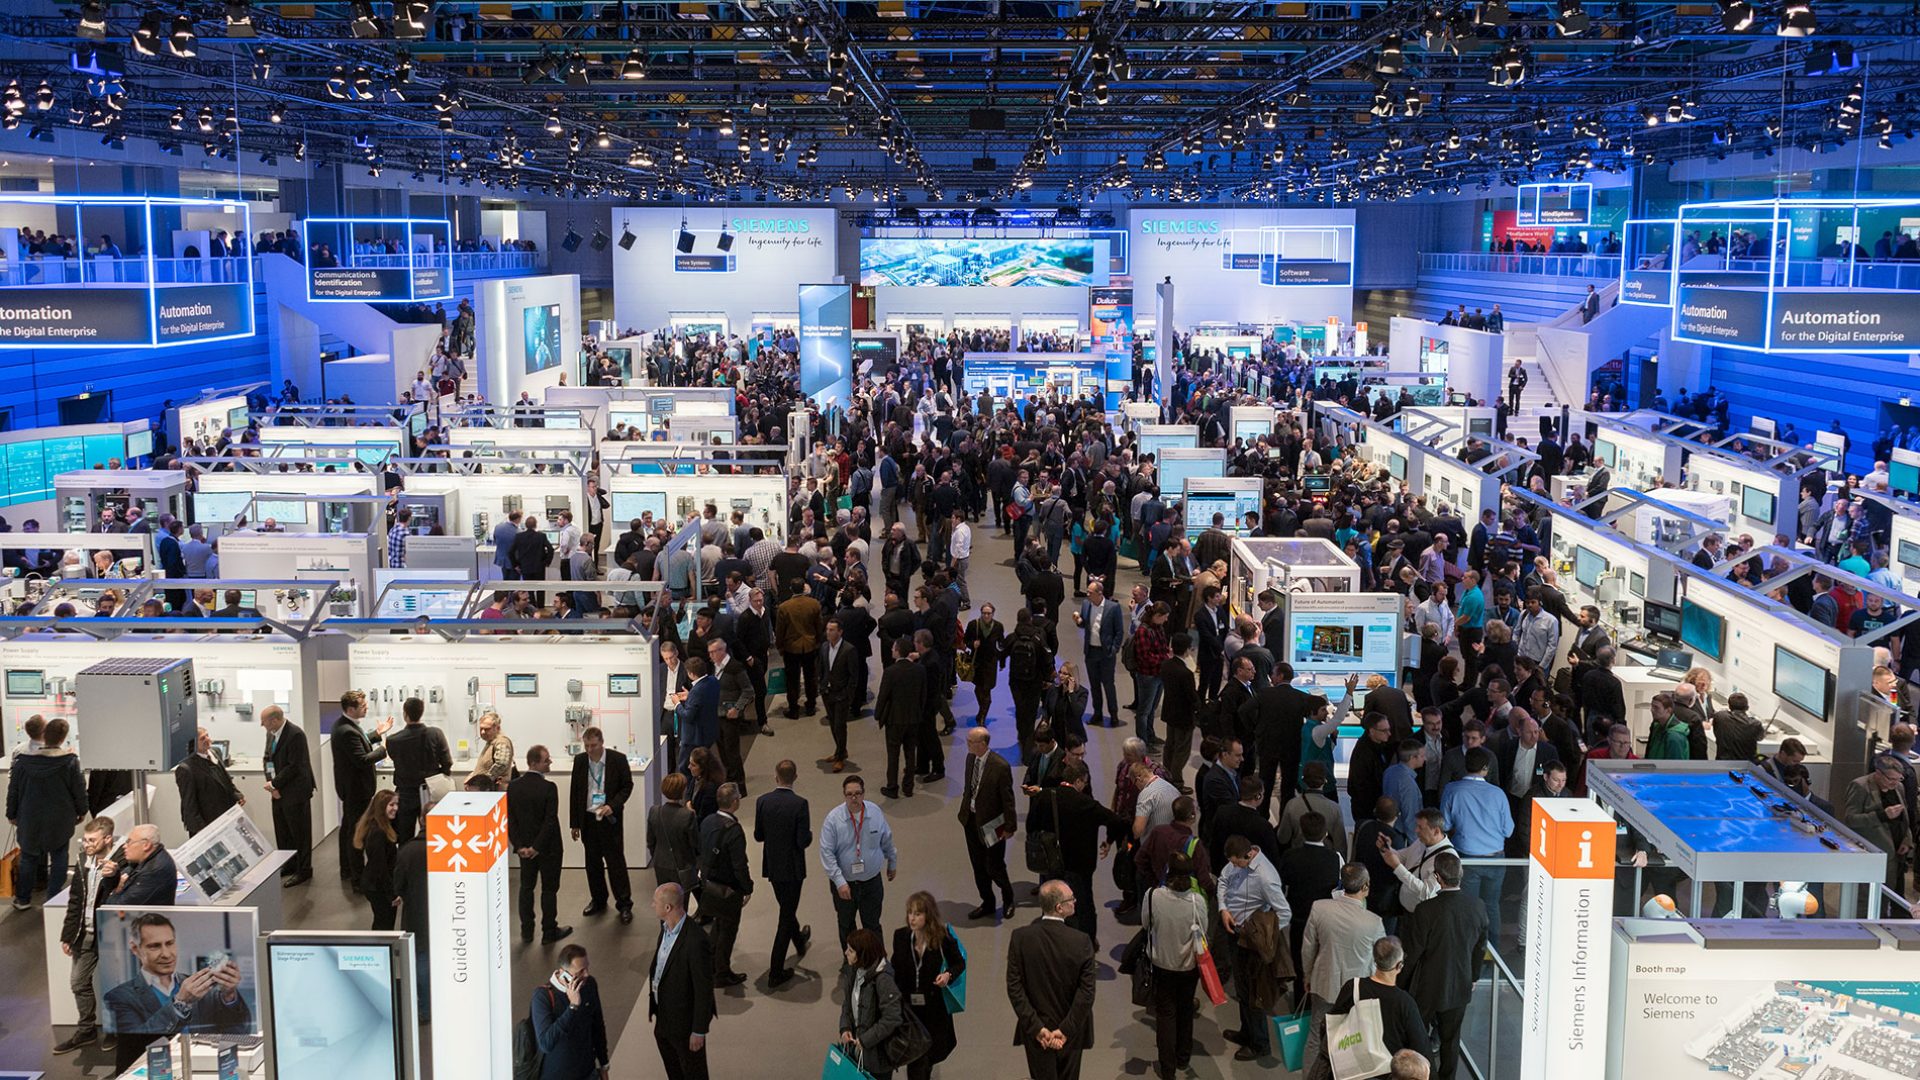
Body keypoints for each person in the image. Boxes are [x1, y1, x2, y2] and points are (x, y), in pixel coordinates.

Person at [104, 911, 250, 1070]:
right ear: (135, 949)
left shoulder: (200, 987)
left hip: (200, 1069)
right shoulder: (119, 996)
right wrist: (180, 1003)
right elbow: (137, 1042)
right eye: (154, 946)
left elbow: (240, 1031)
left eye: (170, 943)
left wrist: (229, 996)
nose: (166, 954)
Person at [1398, 853, 1487, 1080]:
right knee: (1451, 1039)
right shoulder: (1477, 906)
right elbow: (1480, 947)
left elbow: (1414, 952)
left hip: (1426, 987)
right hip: (1460, 984)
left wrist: (1400, 981)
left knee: (1417, 1037)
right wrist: (1474, 976)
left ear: (1437, 877)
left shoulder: (1426, 910)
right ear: (1461, 874)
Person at [1301, 864, 1388, 1080]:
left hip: (1323, 983)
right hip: (1357, 991)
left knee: (1315, 1036)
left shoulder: (1319, 908)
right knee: (1351, 1040)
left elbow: (1308, 948)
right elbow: (1381, 961)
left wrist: (1308, 975)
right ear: (1365, 887)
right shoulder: (1374, 922)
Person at [1006, 878, 1098, 1080]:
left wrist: (1037, 1028)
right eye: (1071, 899)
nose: (1074, 901)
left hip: (1037, 1033)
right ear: (1059, 907)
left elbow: (1015, 988)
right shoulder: (1081, 941)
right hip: (1071, 1032)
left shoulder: (1020, 938)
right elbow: (1086, 993)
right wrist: (1065, 1030)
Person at [1029, 760, 1129, 945]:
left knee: (1052, 902)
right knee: (1083, 906)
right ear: (1078, 781)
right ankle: (1087, 942)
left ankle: (1053, 939)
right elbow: (1115, 821)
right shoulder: (1086, 804)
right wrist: (1109, 840)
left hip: (1050, 861)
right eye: (1085, 782)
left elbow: (1031, 826)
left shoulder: (1044, 797)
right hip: (1079, 865)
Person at [1218, 833, 1293, 1062]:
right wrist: (1223, 908)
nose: (1233, 867)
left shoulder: (1266, 877)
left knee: (1254, 994)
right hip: (1235, 934)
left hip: (1251, 944)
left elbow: (1284, 912)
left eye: (1236, 863)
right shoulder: (1236, 862)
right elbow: (1223, 880)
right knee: (1242, 989)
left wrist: (1264, 936)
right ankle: (1246, 1032)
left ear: (1248, 855)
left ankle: (1259, 1044)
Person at [53, 815, 122, 1055]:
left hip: (112, 934)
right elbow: (76, 899)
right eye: (85, 839)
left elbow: (120, 893)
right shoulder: (83, 860)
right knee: (78, 982)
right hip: (85, 933)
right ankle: (86, 1029)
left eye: (92, 840)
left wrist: (114, 875)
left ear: (108, 839)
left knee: (114, 983)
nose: (87, 844)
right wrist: (67, 934)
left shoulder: (121, 860)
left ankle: (114, 1029)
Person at [1321, 937, 1431, 1080]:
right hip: (1387, 1071)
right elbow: (1420, 1047)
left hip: (1352, 1068)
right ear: (1399, 966)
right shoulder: (1405, 1002)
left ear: (1375, 960)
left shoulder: (1353, 987)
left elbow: (1333, 1022)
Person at [1144, 851, 1211, 1080]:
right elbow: (1204, 929)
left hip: (1161, 964)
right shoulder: (1196, 901)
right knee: (1185, 1010)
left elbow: (1146, 923)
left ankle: (1167, 1069)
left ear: (1167, 871)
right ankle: (1183, 1057)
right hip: (1188, 966)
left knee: (1165, 1014)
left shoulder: (1153, 896)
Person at [7, 714, 86, 906]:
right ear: (62, 738)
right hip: (60, 818)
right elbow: (79, 790)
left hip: (29, 817)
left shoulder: (22, 762)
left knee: (28, 857)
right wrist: (82, 810)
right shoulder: (69, 762)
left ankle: (23, 899)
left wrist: (11, 813)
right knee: (59, 857)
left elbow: (14, 790)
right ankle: (53, 899)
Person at [1438, 746, 1511, 942]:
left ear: (1465, 765)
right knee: (1492, 905)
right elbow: (1508, 830)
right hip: (1496, 859)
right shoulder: (1498, 794)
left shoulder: (1452, 790)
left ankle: (1469, 949)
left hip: (1467, 858)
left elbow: (1445, 824)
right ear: (1486, 768)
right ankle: (1493, 950)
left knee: (1468, 906)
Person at [892, 890, 965, 1080]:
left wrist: (948, 975)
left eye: (917, 914)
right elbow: (895, 968)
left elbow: (959, 963)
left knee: (928, 1055)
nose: (912, 918)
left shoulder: (942, 938)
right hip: (909, 1009)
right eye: (910, 913)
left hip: (934, 1009)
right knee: (916, 1060)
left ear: (928, 915)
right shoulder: (900, 937)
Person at [755, 759, 814, 988]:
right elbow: (802, 841)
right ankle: (775, 971)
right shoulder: (800, 804)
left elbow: (759, 836)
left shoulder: (762, 801)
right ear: (795, 777)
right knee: (785, 916)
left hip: (773, 867)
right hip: (793, 869)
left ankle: (799, 940)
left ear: (775, 776)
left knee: (786, 908)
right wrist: (809, 835)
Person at [647, 883, 716, 1080]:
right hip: (665, 1020)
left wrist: (699, 1031)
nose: (652, 905)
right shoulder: (665, 929)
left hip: (685, 1027)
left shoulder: (696, 941)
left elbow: (704, 990)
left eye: (655, 902)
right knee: (674, 1072)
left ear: (668, 907)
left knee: (694, 1074)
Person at [820, 774, 898, 946]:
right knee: (847, 925)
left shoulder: (875, 812)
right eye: (849, 794)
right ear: (844, 795)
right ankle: (851, 959)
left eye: (857, 793)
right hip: (845, 886)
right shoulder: (833, 820)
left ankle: (877, 960)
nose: (854, 798)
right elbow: (827, 852)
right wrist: (839, 882)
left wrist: (892, 862)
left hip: (871, 882)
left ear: (863, 793)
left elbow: (886, 839)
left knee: (872, 925)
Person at [571, 726, 636, 923]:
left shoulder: (617, 759)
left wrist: (612, 806)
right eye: (587, 746)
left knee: (615, 862)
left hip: (609, 819)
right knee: (592, 864)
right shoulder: (580, 761)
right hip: (589, 819)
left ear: (602, 743)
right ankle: (598, 900)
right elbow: (575, 792)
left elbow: (627, 786)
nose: (590, 750)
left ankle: (624, 903)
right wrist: (575, 823)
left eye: (593, 745)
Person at [509, 745, 572, 944]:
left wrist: (520, 846)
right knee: (549, 890)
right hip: (548, 848)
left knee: (526, 888)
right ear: (534, 763)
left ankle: (527, 931)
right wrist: (537, 847)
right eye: (546, 760)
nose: (550, 762)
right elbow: (550, 821)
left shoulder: (514, 787)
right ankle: (549, 931)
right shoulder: (549, 788)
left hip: (524, 850)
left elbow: (511, 820)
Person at [329, 690, 390, 883]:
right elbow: (362, 759)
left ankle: (347, 870)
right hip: (356, 789)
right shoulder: (346, 730)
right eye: (363, 706)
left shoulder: (345, 725)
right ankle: (357, 877)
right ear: (350, 709)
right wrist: (384, 748)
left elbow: (359, 743)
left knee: (349, 828)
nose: (366, 708)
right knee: (357, 832)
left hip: (352, 788)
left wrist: (377, 734)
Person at [958, 726, 1018, 921]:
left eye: (971, 741)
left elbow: (1008, 799)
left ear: (982, 744)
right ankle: (988, 902)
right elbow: (969, 788)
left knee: (994, 866)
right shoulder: (970, 759)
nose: (967, 744)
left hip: (992, 824)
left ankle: (1008, 899)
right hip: (971, 820)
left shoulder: (1000, 766)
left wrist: (1009, 826)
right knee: (978, 866)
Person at [697, 781, 753, 987]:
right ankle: (722, 972)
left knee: (718, 926)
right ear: (735, 802)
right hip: (728, 888)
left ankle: (711, 964)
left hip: (709, 883)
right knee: (727, 930)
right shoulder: (734, 830)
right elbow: (739, 865)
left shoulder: (707, 821)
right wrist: (747, 887)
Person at [838, 928, 911, 1079]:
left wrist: (865, 1040)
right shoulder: (853, 970)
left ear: (862, 954)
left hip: (878, 1057)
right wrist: (845, 1027)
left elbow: (892, 1018)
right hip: (857, 1049)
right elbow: (847, 1004)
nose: (846, 953)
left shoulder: (884, 980)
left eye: (851, 950)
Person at [531, 943, 610, 1080]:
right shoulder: (542, 997)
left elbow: (597, 1026)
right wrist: (572, 1007)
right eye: (580, 971)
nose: (586, 974)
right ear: (564, 974)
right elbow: (546, 1043)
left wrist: (604, 1064)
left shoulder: (589, 985)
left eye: (587, 968)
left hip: (588, 1072)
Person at [384, 694, 452, 841]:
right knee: (433, 834)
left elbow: (395, 759)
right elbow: (447, 762)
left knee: (404, 834)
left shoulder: (393, 740)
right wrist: (438, 776)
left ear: (405, 714)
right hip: (431, 789)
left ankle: (407, 855)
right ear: (422, 712)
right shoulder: (436, 734)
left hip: (405, 792)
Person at [1845, 753, 1914, 897]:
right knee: (1867, 898)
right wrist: (1881, 815)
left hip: (1895, 854)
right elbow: (1851, 820)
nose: (1895, 783)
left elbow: (1904, 817)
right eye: (1891, 779)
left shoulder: (1899, 787)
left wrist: (1907, 839)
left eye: (1899, 778)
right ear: (1878, 773)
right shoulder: (1860, 786)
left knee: (1888, 897)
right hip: (1872, 854)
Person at [260, 704, 314, 886]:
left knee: (300, 833)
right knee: (282, 831)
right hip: (278, 791)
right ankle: (289, 864)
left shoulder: (295, 735)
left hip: (296, 793)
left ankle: (303, 869)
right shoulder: (271, 734)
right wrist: (272, 785)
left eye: (264, 722)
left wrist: (275, 784)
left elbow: (295, 766)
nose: (262, 725)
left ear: (274, 720)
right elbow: (267, 759)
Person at [877, 637, 928, 798]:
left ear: (898, 651)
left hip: (895, 719)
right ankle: (908, 786)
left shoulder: (890, 671)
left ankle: (892, 786)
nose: (891, 650)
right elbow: (923, 695)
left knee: (893, 755)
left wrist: (878, 714)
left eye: (893, 648)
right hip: (913, 718)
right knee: (910, 753)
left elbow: (883, 696)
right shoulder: (920, 670)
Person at [173, 726, 242, 838]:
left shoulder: (214, 753)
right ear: (193, 744)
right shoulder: (186, 768)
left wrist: (236, 794)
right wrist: (201, 830)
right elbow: (189, 804)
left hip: (225, 815)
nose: (208, 740)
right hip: (206, 823)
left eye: (207, 735)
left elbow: (225, 778)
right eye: (202, 738)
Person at [351, 790, 400, 930]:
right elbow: (380, 867)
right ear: (381, 807)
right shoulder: (378, 833)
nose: (396, 808)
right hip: (379, 888)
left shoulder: (380, 827)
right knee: (384, 924)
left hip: (377, 885)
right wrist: (392, 894)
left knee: (382, 922)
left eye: (396, 804)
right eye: (391, 805)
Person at [819, 616, 862, 770]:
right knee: (832, 723)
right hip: (827, 692)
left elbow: (854, 676)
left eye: (831, 630)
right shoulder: (824, 647)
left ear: (840, 632)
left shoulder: (849, 650)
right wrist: (821, 684)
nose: (828, 632)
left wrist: (848, 694)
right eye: (827, 629)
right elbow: (822, 667)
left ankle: (841, 757)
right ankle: (839, 751)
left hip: (841, 694)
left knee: (840, 725)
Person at [649, 772, 701, 895]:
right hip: (683, 865)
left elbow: (650, 841)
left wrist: (657, 856)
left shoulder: (654, 811)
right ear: (682, 791)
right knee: (681, 901)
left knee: (665, 898)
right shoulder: (688, 815)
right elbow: (695, 843)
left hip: (661, 864)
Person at [108, 823, 176, 906]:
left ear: (146, 845)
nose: (124, 846)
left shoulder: (153, 871)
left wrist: (116, 891)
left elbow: (119, 907)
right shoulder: (142, 861)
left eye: (129, 842)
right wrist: (112, 877)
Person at [469, 710, 516, 789]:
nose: (482, 732)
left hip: (494, 789)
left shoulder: (501, 742)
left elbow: (501, 764)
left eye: (487, 729)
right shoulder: (491, 742)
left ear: (497, 728)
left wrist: (484, 781)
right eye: (481, 729)